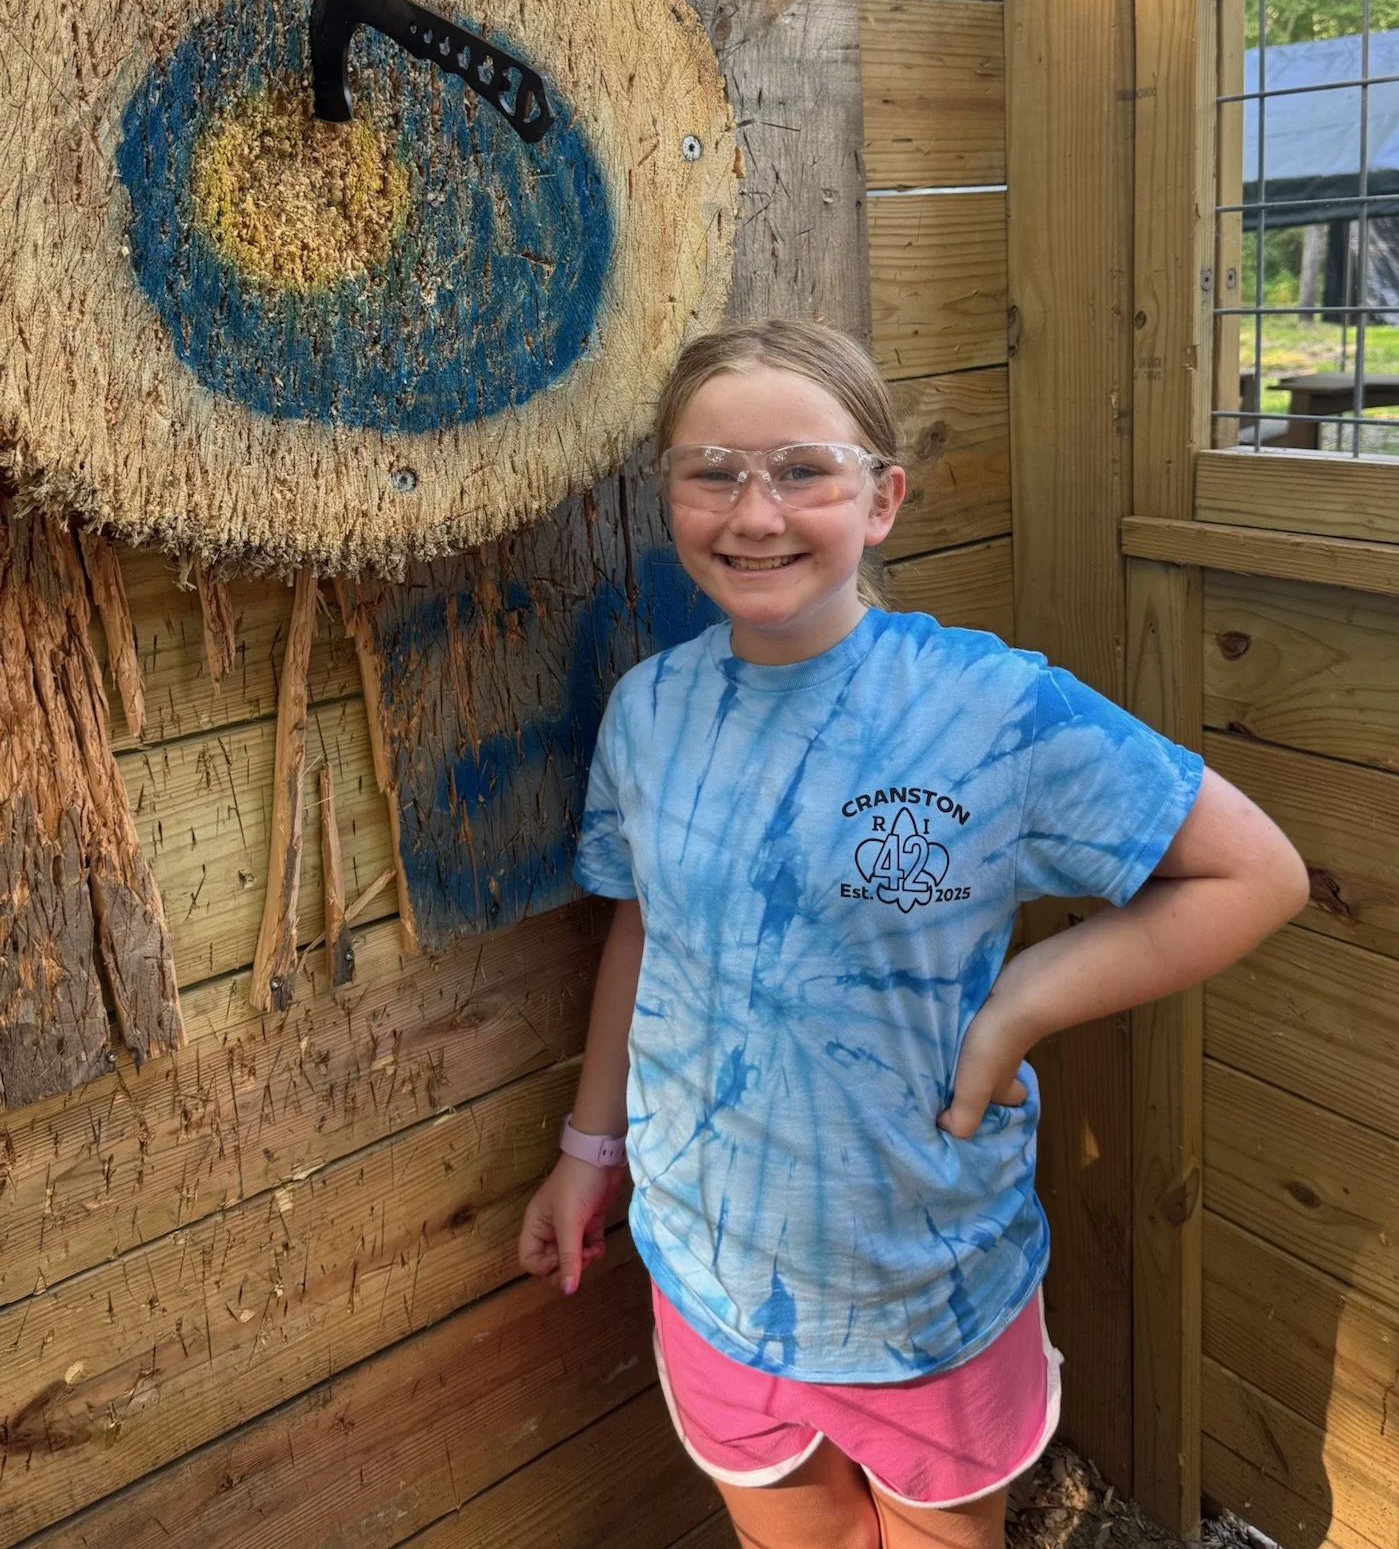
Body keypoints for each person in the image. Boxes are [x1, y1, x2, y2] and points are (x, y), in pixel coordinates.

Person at [518, 319, 1308, 1549]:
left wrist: (1020, 1006)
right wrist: (588, 1144)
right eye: (711, 469)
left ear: (880, 498)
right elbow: (643, 933)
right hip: (709, 1270)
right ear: (665, 492)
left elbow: (1257, 872)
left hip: (921, 1280)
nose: (755, 510)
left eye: (802, 469)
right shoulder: (648, 709)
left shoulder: (988, 705)